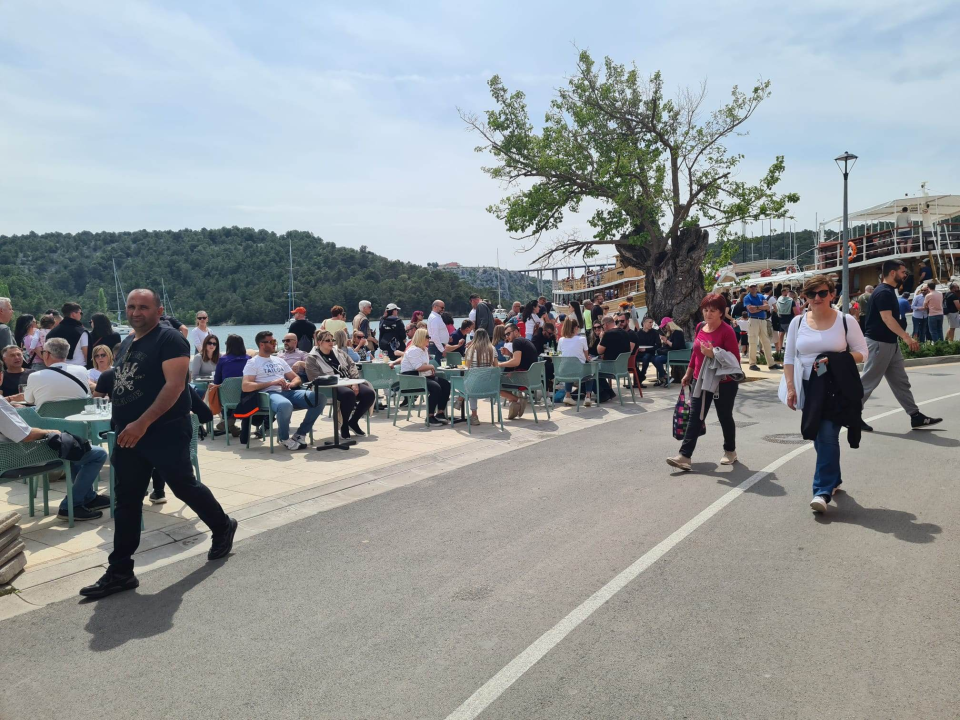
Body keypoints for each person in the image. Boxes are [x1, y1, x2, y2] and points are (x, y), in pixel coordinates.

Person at [78, 289, 236, 599]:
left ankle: (222, 526)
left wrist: (142, 423)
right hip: (127, 434)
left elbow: (176, 386)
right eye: (131, 307)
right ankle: (120, 571)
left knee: (183, 486)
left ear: (158, 309)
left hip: (162, 430)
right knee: (127, 499)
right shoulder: (126, 343)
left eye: (143, 307)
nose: (136, 312)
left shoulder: (169, 339)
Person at [781, 276, 868, 513]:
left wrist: (836, 359)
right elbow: (789, 358)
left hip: (835, 387)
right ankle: (834, 479)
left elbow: (862, 353)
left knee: (828, 434)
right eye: (811, 295)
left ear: (831, 294)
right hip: (809, 387)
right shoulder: (797, 323)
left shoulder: (845, 320)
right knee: (819, 437)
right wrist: (790, 388)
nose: (816, 298)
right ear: (805, 297)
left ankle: (822, 491)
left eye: (821, 293)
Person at [0, 369, 109, 522]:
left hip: (10, 454)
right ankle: (72, 505)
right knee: (95, 453)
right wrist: (49, 431)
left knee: (73, 448)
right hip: (17, 457)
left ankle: (87, 497)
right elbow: (25, 435)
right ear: (1, 376)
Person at [859, 260, 941, 432]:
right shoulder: (883, 292)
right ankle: (851, 416)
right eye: (903, 272)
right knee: (868, 382)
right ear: (893, 273)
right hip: (879, 344)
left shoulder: (888, 291)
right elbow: (887, 318)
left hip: (889, 343)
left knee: (901, 382)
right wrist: (906, 338)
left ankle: (915, 416)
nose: (906, 275)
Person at [667, 293, 743, 471]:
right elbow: (695, 354)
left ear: (721, 312)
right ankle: (684, 456)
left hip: (724, 382)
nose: (708, 314)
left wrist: (714, 353)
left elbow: (734, 360)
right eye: (705, 310)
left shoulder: (727, 331)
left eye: (713, 311)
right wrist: (688, 373)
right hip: (700, 380)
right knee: (695, 416)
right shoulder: (701, 327)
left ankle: (730, 451)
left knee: (724, 417)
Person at [241, 330, 326, 450]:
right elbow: (246, 386)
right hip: (268, 394)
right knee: (284, 405)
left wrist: (291, 384)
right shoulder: (253, 362)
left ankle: (300, 434)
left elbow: (296, 378)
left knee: (319, 398)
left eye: (274, 341)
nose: (275, 344)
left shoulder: (279, 360)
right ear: (261, 344)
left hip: (287, 391)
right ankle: (284, 438)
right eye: (272, 341)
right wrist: (272, 383)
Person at [305, 330, 376, 438]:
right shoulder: (312, 358)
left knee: (369, 394)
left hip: (349, 381)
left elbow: (352, 365)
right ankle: (344, 426)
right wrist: (341, 383)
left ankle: (353, 421)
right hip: (329, 387)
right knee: (349, 395)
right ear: (319, 342)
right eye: (327, 340)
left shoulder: (339, 352)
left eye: (332, 340)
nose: (331, 342)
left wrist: (354, 381)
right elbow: (314, 377)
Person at [399, 328, 450, 426]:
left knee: (445, 384)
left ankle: (440, 413)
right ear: (421, 337)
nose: (429, 339)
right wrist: (431, 366)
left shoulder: (424, 349)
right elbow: (418, 367)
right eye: (427, 337)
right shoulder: (413, 350)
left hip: (421, 376)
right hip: (411, 378)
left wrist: (430, 370)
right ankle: (430, 416)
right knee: (436, 387)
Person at [23, 338, 90, 408]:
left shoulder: (35, 376)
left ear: (47, 354)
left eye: (43, 352)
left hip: (46, 418)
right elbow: (87, 394)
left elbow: (29, 400)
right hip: (77, 417)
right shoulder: (82, 370)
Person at [498, 323, 539, 419]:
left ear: (516, 332)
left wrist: (499, 364)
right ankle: (514, 406)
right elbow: (521, 360)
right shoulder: (524, 341)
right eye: (505, 335)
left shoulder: (516, 342)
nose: (507, 337)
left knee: (495, 385)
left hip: (523, 379)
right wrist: (510, 354)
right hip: (531, 378)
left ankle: (516, 400)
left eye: (508, 334)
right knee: (504, 377)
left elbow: (516, 362)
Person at [213, 334, 250, 437]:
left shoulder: (222, 360)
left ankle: (229, 421)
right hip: (246, 396)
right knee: (240, 393)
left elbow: (217, 381)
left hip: (227, 398)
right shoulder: (249, 359)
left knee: (216, 391)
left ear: (228, 345)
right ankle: (232, 424)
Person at [462, 328, 499, 423]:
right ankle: (459, 400)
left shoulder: (470, 349)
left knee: (468, 384)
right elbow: (496, 367)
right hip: (489, 386)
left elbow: (467, 368)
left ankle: (474, 415)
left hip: (474, 386)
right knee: (472, 382)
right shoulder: (492, 348)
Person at [596, 315, 635, 402]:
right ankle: (609, 393)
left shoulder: (608, 334)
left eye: (602, 326)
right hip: (623, 367)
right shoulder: (625, 333)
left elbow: (599, 351)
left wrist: (601, 338)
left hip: (611, 366)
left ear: (605, 325)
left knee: (593, 371)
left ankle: (603, 394)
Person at [557, 317, 594, 407]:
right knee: (590, 372)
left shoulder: (561, 340)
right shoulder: (582, 339)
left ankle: (568, 395)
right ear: (575, 328)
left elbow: (559, 354)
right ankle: (588, 396)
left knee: (569, 366)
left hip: (563, 372)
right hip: (578, 372)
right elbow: (586, 357)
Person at [743, 283, 777, 371]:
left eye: (755, 286)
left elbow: (767, 307)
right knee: (753, 342)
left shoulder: (761, 296)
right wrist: (761, 307)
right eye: (752, 287)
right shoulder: (747, 297)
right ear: (749, 288)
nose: (754, 288)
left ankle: (771, 363)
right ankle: (752, 363)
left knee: (766, 342)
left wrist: (757, 307)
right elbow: (750, 310)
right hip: (753, 320)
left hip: (762, 320)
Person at [45, 302, 88, 367]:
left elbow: (46, 353)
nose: (81, 315)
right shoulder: (82, 332)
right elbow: (86, 354)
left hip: (57, 369)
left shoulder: (52, 332)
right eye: (80, 313)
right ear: (73, 314)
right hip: (78, 368)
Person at [634, 315, 662, 387]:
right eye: (650, 322)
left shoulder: (655, 333)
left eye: (652, 323)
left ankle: (641, 376)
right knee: (632, 360)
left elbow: (658, 345)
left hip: (649, 352)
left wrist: (646, 349)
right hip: (639, 353)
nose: (651, 324)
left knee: (646, 357)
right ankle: (639, 377)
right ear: (644, 323)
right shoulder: (637, 333)